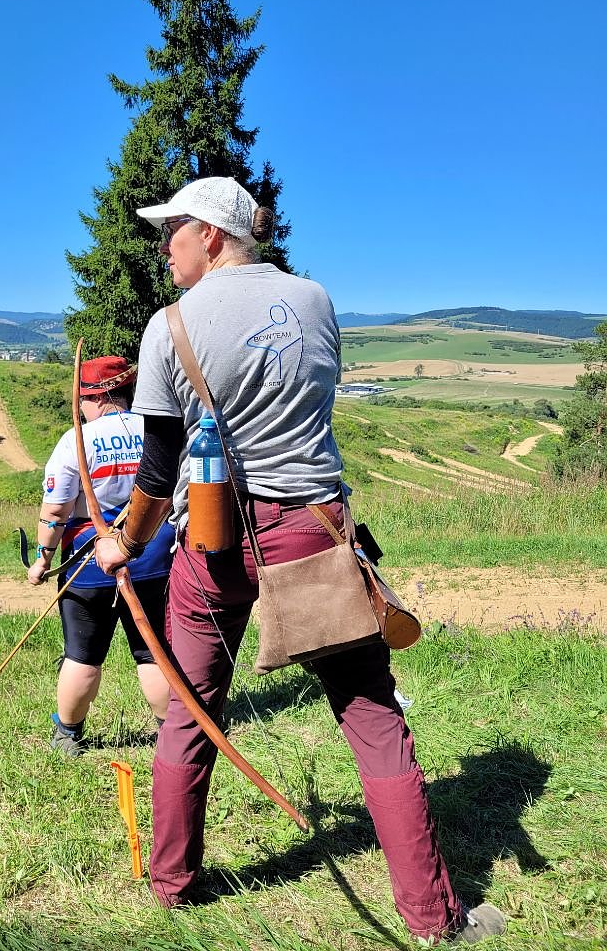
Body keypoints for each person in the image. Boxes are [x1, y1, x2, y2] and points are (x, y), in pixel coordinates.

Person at [96, 177, 506, 944]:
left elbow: (157, 468)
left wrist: (124, 540)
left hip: (211, 542)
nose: (163, 248)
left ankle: (173, 886)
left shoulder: (169, 325)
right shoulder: (314, 299)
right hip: (312, 532)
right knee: (372, 718)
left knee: (190, 711)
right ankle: (433, 917)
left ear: (210, 234)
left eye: (172, 231)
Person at [28, 355, 173, 756]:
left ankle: (67, 736)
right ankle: (173, 735)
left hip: (89, 566)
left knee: (83, 655)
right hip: (153, 558)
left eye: (82, 399)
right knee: (153, 652)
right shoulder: (156, 430)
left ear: (96, 397)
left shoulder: (76, 439)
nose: (80, 408)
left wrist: (42, 559)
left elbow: (55, 511)